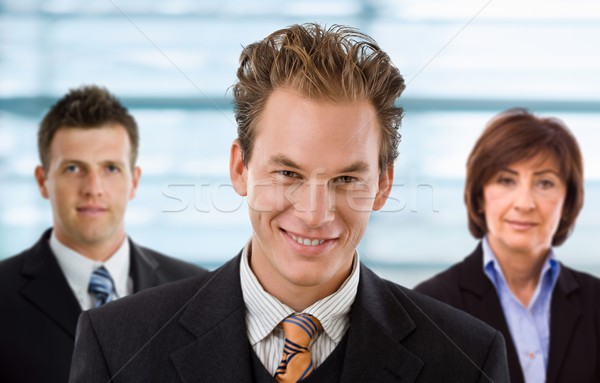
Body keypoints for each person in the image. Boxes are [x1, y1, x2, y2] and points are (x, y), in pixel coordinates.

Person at [69, 24, 509, 382]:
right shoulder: (118, 346)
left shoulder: (468, 359)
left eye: (345, 179)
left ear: (383, 184)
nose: (315, 213)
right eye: (288, 174)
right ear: (241, 169)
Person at [0, 85, 207, 383]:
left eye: (110, 168)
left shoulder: (195, 293)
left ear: (134, 181)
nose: (93, 188)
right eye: (73, 168)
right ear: (43, 180)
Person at [415, 108, 600, 383]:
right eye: (506, 180)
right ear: (480, 196)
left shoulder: (595, 301)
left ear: (567, 201)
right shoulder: (429, 306)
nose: (524, 203)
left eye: (545, 183)